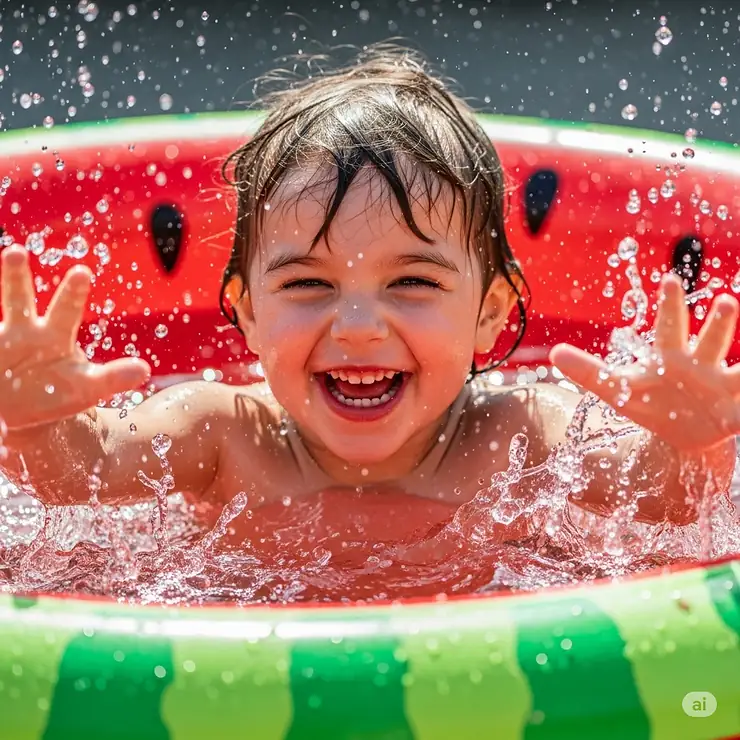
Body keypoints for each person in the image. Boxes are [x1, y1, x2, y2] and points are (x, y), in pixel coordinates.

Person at [0, 46, 738, 566]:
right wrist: (34, 422)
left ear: (490, 311)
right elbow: (81, 473)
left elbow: (662, 505)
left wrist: (693, 450)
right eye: (306, 285)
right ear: (245, 310)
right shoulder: (222, 436)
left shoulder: (519, 438)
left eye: (412, 282)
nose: (356, 326)